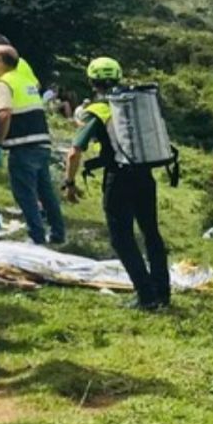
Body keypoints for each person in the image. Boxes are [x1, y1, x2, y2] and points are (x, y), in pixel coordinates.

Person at [63, 57, 170, 310]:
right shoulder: (133, 104)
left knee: (121, 238)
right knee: (151, 233)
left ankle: (146, 296)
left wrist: (69, 181)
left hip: (119, 178)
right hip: (145, 174)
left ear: (92, 80)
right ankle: (162, 292)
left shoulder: (99, 109)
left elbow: (74, 151)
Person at [0, 37, 65, 246]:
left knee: (25, 194)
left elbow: (3, 114)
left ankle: (36, 237)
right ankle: (58, 233)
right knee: (46, 192)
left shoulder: (3, 84)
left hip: (22, 145)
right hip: (41, 142)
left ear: (2, 61)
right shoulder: (27, 82)